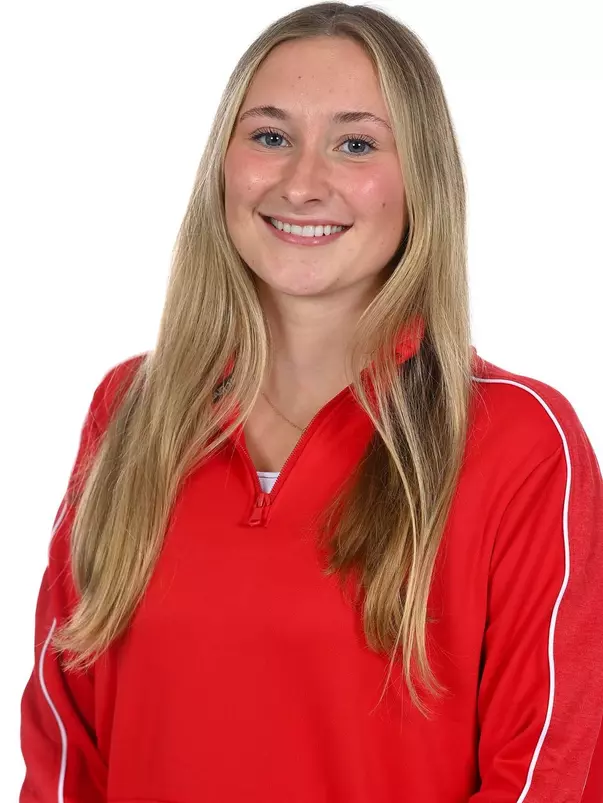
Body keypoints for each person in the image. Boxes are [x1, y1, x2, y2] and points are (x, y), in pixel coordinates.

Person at [19, 3, 603, 802]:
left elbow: (545, 772)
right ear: (223, 163)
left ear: (419, 180)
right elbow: (64, 743)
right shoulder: (131, 410)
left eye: (355, 143)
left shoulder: (520, 440)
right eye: (268, 135)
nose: (301, 181)